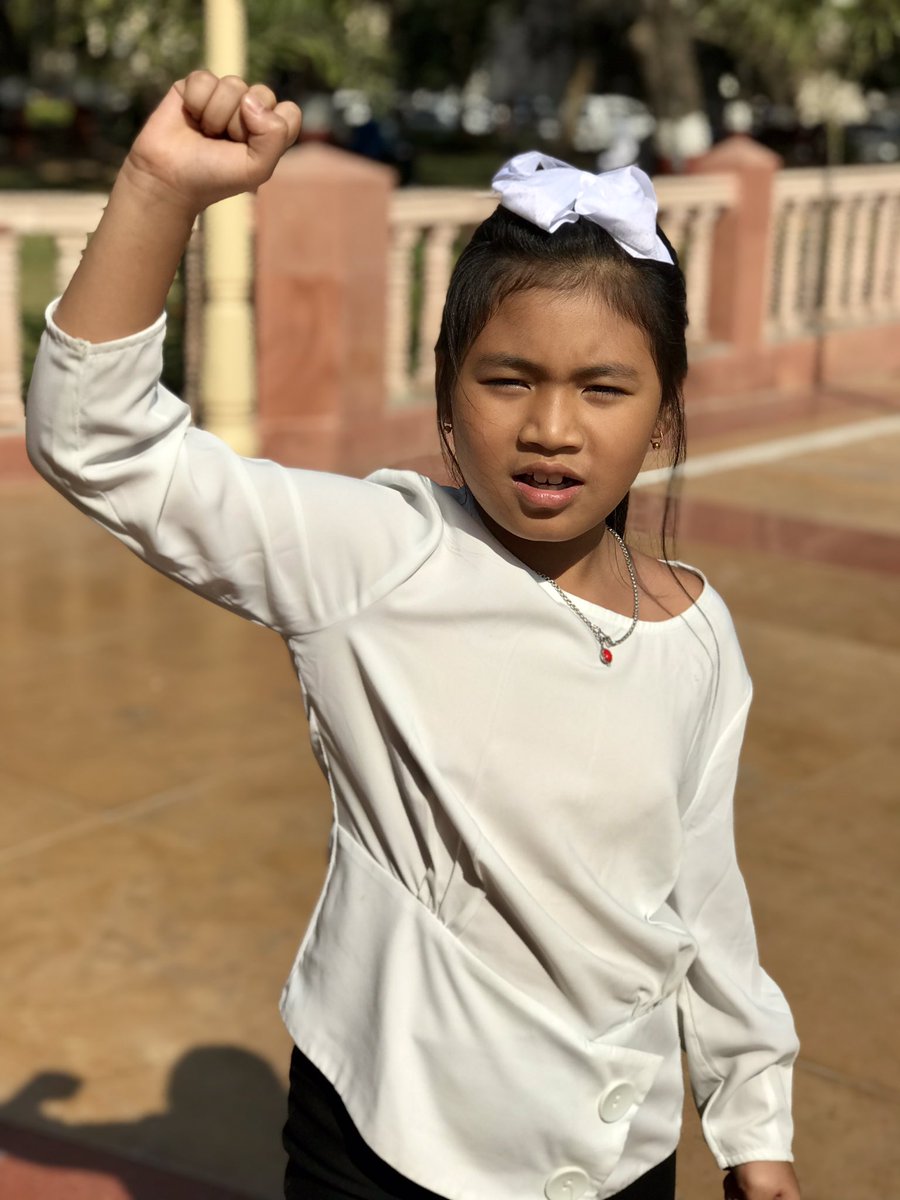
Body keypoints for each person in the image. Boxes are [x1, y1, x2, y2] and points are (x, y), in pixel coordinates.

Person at [25, 72, 801, 1200]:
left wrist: (753, 1122)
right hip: (390, 1145)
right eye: (508, 379)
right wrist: (158, 186)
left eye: (603, 389)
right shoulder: (380, 555)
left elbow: (701, 896)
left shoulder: (697, 633)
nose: (551, 428)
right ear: (445, 392)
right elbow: (100, 441)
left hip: (618, 1155)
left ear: (664, 418)